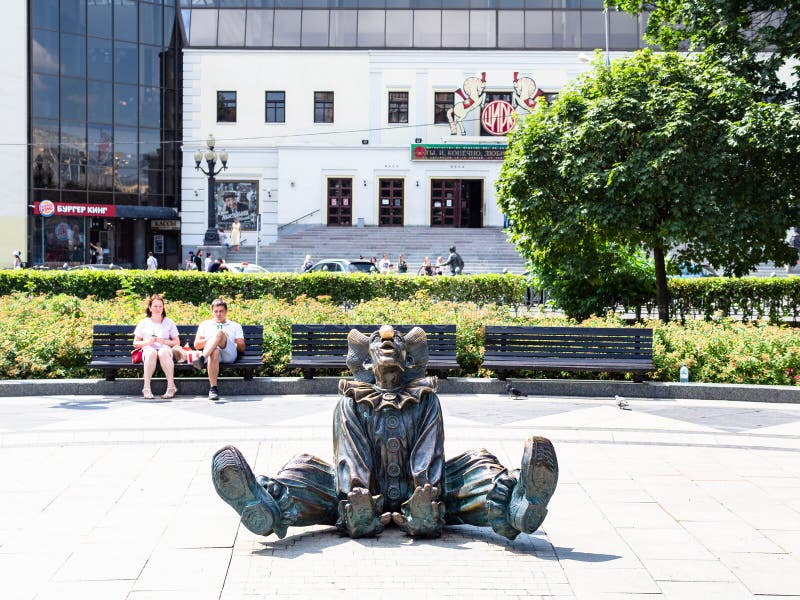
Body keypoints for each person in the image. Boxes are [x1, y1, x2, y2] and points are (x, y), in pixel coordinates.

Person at [210, 325, 558, 542]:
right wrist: (356, 496)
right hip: (354, 499)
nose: (387, 334)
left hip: (426, 495)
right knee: (303, 471)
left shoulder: (426, 400)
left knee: (479, 465)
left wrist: (428, 495)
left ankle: (519, 505)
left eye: (395, 341)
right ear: (365, 361)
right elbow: (350, 456)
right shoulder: (351, 403)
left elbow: (430, 453)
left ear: (408, 361)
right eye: (377, 340)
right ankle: (262, 506)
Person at [193, 298, 245, 401]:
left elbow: (242, 347)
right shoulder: (205, 324)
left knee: (220, 333)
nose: (218, 314)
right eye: (216, 311)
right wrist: (212, 338)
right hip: (212, 354)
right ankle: (213, 389)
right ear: (212, 312)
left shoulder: (235, 326)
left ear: (226, 311)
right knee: (214, 351)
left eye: (221, 311)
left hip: (229, 354)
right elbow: (197, 345)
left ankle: (202, 358)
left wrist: (226, 338)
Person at [133, 294, 181, 399]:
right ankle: (146, 388)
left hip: (165, 350)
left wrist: (163, 341)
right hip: (148, 350)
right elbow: (135, 343)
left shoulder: (169, 322)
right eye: (155, 306)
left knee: (162, 352)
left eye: (160, 306)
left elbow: (177, 342)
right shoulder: (143, 322)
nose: (158, 309)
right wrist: (147, 342)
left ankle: (171, 387)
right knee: (151, 352)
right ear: (150, 308)